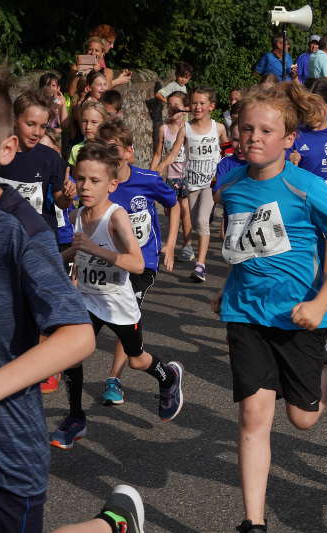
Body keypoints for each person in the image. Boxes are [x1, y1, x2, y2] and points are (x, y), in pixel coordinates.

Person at [212, 83, 327, 533]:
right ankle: (253, 521)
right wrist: (228, 287)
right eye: (246, 128)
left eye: (266, 130)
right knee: (254, 418)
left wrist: (320, 301)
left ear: (288, 139)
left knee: (303, 419)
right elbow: (240, 246)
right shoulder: (231, 186)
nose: (253, 137)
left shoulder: (305, 187)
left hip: (299, 315)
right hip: (245, 314)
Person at [0, 58, 94, 532]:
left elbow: (78, 337)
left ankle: (109, 524)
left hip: (6, 438)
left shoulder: (21, 232)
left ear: (6, 149)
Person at [51, 142, 185, 450]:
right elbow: (79, 254)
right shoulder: (80, 212)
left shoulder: (116, 216)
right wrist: (67, 260)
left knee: (137, 361)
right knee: (73, 352)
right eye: (81, 178)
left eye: (94, 181)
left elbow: (136, 263)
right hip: (88, 299)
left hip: (118, 304)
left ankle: (168, 377)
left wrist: (95, 249)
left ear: (112, 184)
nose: (85, 186)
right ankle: (74, 418)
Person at [95, 120, 181, 406]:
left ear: (129, 151)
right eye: (103, 150)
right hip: (109, 262)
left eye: (115, 149)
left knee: (124, 315)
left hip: (143, 265)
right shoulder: (101, 184)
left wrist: (169, 244)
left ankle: (114, 379)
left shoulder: (149, 179)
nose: (110, 155)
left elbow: (174, 204)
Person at [154, 87, 228, 281]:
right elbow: (172, 155)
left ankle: (200, 266)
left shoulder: (218, 128)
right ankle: (207, 213)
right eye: (194, 103)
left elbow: (229, 151)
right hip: (191, 183)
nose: (197, 107)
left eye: (202, 103)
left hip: (211, 183)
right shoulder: (185, 129)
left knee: (202, 223)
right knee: (196, 222)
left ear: (211, 106)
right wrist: (156, 170)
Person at [0, 91, 74, 235]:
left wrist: (67, 197)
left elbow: (60, 201)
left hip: (37, 240)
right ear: (14, 119)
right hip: (2, 238)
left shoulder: (51, 158)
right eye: (30, 124)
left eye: (43, 126)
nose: (37, 132)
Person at [151, 91, 192, 260]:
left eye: (176, 106)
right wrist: (151, 175)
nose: (172, 109)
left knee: (184, 209)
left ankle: (187, 245)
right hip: (169, 176)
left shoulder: (188, 129)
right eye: (169, 106)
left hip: (186, 175)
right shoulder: (164, 129)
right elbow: (157, 154)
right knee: (169, 211)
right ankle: (172, 241)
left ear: (185, 109)